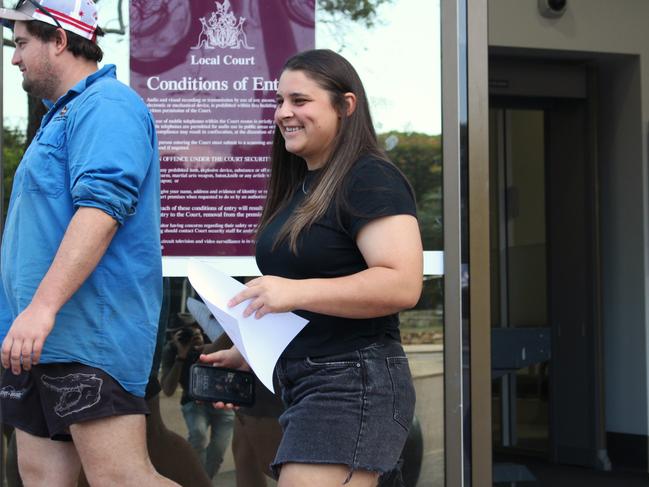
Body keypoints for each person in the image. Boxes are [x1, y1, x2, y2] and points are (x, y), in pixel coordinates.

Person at [202, 48, 423, 487]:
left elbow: (401, 283)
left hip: (352, 383)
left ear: (346, 106)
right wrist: (253, 350)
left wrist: (292, 292)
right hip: (305, 383)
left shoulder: (369, 177)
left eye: (300, 101)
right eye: (280, 102)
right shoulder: (302, 185)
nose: (283, 113)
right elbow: (313, 297)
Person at [0, 1, 177, 485]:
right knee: (39, 478)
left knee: (122, 479)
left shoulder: (108, 106)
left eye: (20, 43)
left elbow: (101, 211)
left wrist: (42, 307)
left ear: (59, 39)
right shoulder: (60, 116)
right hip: (34, 341)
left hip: (87, 337)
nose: (13, 58)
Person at [160, 315, 234, 480]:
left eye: (192, 330)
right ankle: (197, 481)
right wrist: (181, 356)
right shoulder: (171, 350)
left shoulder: (211, 340)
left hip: (220, 401)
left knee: (218, 451)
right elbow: (168, 390)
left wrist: (206, 348)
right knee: (198, 436)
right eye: (181, 334)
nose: (187, 337)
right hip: (193, 401)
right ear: (173, 336)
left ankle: (200, 481)